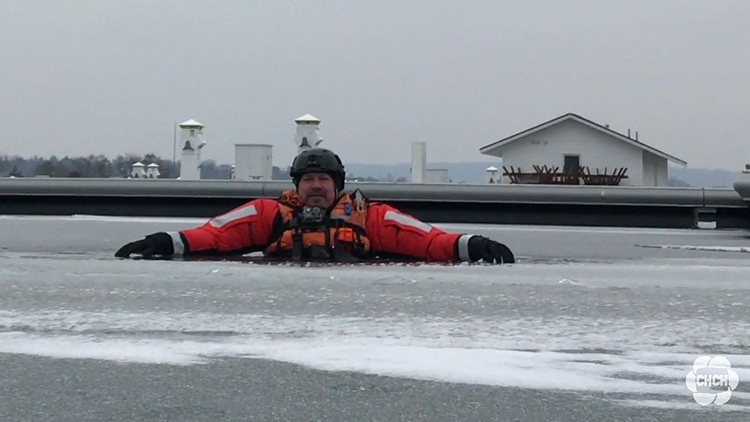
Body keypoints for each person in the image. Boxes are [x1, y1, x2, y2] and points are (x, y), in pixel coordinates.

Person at [115, 148, 515, 264]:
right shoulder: (268, 214)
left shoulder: (372, 218)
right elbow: (216, 234)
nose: (317, 186)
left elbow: (428, 240)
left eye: (324, 180)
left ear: (338, 185)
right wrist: (168, 241)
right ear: (297, 186)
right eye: (309, 180)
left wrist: (471, 244)